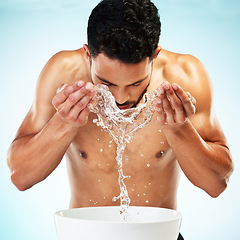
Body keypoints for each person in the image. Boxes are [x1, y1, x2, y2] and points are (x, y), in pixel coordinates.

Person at [7, 0, 233, 239]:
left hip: (158, 235)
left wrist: (179, 130)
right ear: (88, 55)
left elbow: (217, 184)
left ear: (154, 55)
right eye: (107, 83)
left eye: (136, 83)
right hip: (83, 235)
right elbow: (19, 177)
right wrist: (63, 124)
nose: (121, 98)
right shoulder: (64, 74)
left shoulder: (185, 77)